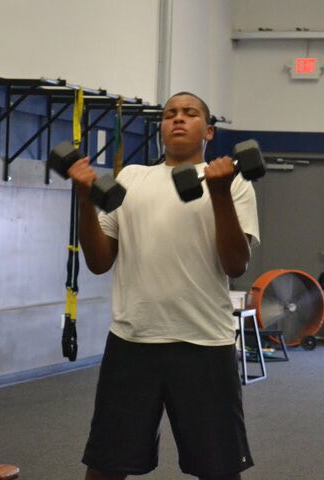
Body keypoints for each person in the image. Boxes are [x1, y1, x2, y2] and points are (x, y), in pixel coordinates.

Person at [68, 91, 260, 480]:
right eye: (171, 113)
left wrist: (218, 194)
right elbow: (99, 261)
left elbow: (234, 264)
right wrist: (85, 202)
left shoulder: (233, 183)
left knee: (219, 469)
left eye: (189, 113)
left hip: (203, 342)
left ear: (208, 131)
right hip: (133, 340)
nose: (178, 119)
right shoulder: (132, 178)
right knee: (105, 465)